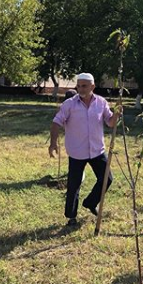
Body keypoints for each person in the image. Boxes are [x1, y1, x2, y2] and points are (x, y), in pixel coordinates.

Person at [50, 73, 121, 227]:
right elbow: (56, 122)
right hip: (77, 151)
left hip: (97, 150)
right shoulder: (69, 104)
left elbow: (110, 122)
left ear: (92, 86)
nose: (81, 89)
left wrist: (116, 115)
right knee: (74, 185)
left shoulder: (101, 102)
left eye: (84, 86)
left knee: (107, 179)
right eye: (79, 86)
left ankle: (90, 202)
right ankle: (71, 217)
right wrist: (53, 143)